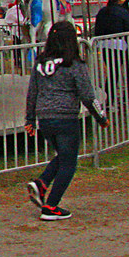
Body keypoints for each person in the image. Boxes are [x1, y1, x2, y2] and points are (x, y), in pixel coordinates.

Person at [24, 21, 109, 221]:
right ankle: (51, 206)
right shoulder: (75, 64)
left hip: (45, 118)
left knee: (63, 156)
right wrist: (101, 117)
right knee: (69, 162)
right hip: (66, 118)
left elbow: (32, 92)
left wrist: (30, 118)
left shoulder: (40, 63)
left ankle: (42, 184)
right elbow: (88, 96)